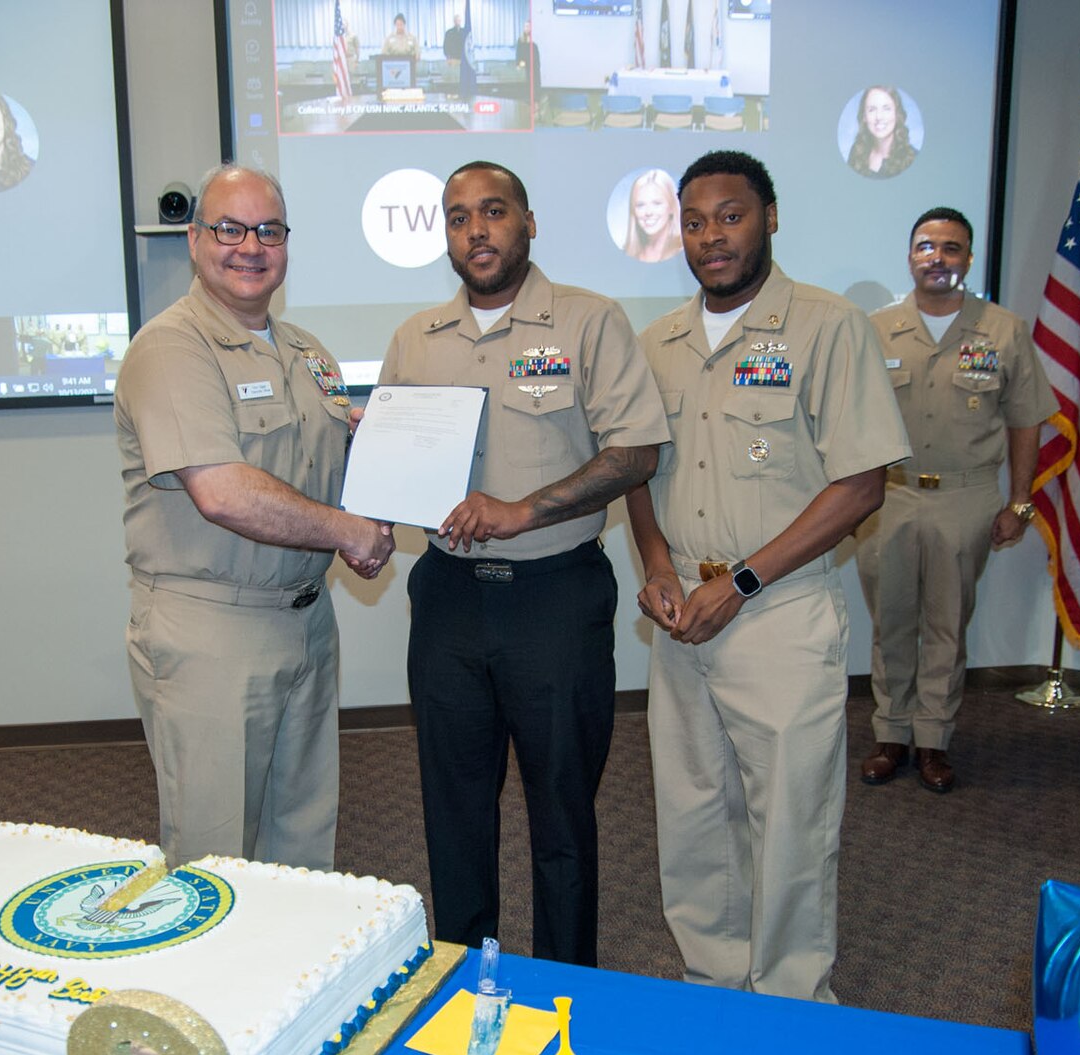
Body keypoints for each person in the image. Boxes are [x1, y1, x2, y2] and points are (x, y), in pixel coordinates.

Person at [627, 149, 908, 1001]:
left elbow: (861, 482)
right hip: (682, 625)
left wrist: (739, 583)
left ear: (772, 217)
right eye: (695, 220)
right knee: (694, 816)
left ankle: (791, 998)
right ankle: (712, 982)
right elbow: (636, 470)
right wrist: (654, 561)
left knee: (791, 823)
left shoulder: (827, 328)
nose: (712, 237)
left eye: (731, 215)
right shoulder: (657, 344)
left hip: (778, 612)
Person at [376, 160, 669, 967]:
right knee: (454, 809)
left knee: (562, 813)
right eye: (459, 215)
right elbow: (396, 467)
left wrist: (523, 509)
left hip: (554, 599)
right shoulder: (415, 339)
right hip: (448, 601)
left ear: (529, 223)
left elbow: (637, 451)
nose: (477, 229)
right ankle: (462, 980)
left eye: (494, 211)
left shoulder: (587, 321)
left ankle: (568, 987)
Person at [116, 163, 393, 871]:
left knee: (302, 845)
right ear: (195, 239)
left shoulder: (308, 354)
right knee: (213, 857)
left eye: (268, 230)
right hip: (213, 632)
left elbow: (326, 470)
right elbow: (223, 491)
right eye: (230, 229)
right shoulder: (172, 348)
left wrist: (383, 456)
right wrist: (349, 531)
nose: (250, 246)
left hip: (305, 622)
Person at [857, 207, 1053, 794]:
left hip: (966, 499)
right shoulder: (874, 329)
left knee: (947, 624)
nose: (937, 258)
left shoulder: (1005, 330)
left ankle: (934, 739)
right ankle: (891, 734)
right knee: (890, 622)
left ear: (968, 259)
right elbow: (847, 421)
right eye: (926, 246)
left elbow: (1025, 422)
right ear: (910, 255)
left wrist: (1019, 503)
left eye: (950, 248)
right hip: (888, 497)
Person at [846, 85, 915, 179]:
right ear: (864, 117)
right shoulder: (856, 152)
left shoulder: (912, 158)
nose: (879, 117)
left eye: (886, 109)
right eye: (872, 110)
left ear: (897, 114)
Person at [622, 169, 680, 264]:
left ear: (671, 207)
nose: (648, 212)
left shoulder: (684, 251)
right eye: (640, 205)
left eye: (657, 203)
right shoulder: (627, 253)